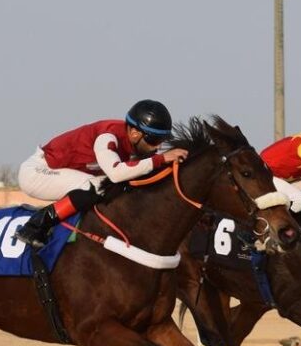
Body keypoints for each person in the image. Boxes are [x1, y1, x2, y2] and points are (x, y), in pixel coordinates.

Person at [13, 100, 188, 249]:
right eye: (154, 140)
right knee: (99, 185)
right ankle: (35, 226)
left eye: (162, 141)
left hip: (63, 173)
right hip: (38, 172)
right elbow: (116, 173)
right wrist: (160, 159)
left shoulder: (134, 143)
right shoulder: (108, 136)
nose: (157, 147)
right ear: (135, 133)